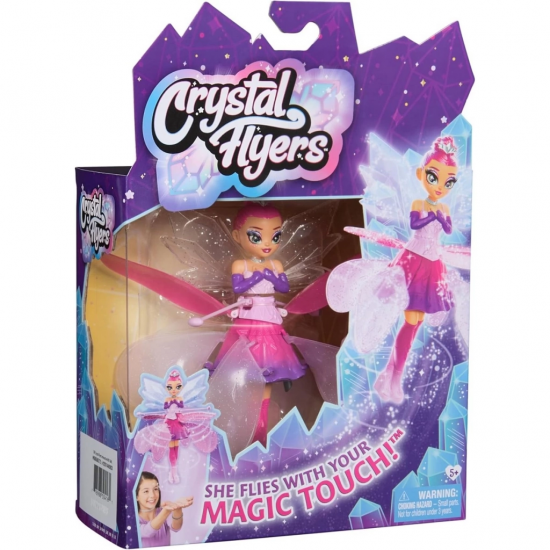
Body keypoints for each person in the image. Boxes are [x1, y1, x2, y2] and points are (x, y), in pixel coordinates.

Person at [373, 136, 458, 403]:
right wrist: (432, 215)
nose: (440, 186)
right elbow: (414, 224)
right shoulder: (419, 204)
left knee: (417, 322)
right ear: (422, 175)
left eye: (449, 182)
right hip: (414, 261)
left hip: (432, 265)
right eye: (434, 177)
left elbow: (448, 229)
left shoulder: (444, 206)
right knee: (411, 321)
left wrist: (441, 216)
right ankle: (394, 377)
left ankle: (389, 375)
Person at [136, 471, 193, 548]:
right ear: (136, 496)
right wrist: (166, 511)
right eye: (146, 491)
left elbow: (176, 528)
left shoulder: (161, 511)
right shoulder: (133, 519)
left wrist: (177, 508)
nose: (152, 495)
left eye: (155, 489)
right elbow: (147, 532)